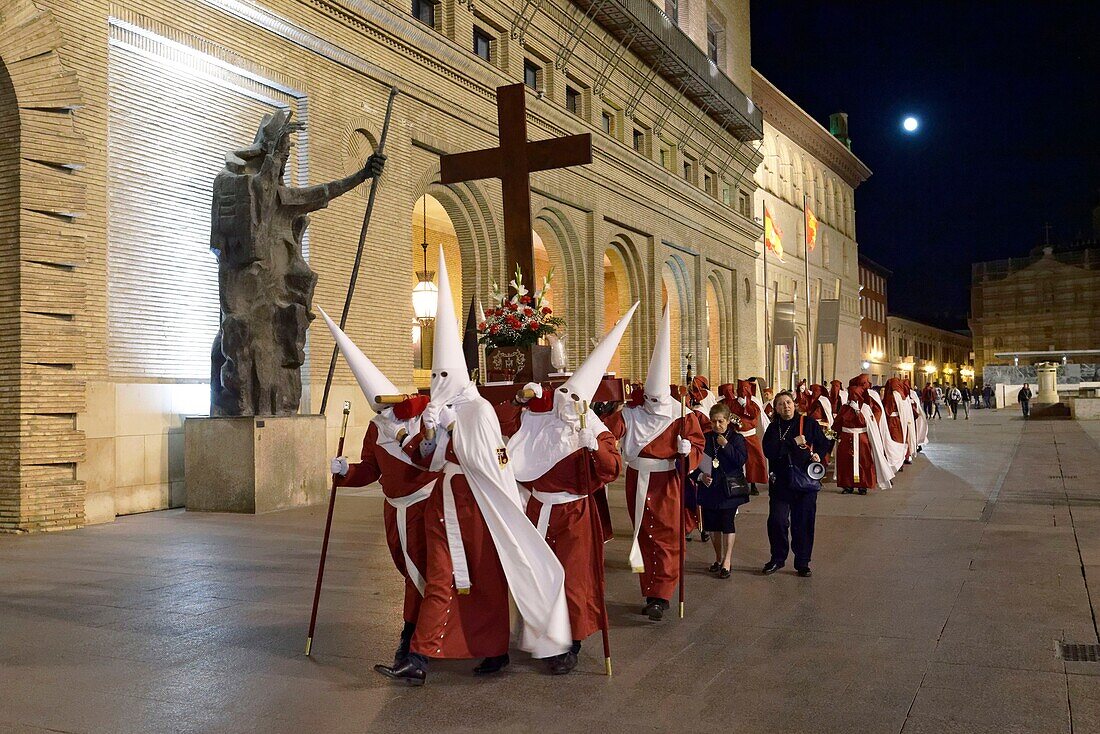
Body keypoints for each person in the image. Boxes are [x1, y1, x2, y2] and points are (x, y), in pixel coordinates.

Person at [377, 249, 571, 686]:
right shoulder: (441, 409)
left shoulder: (479, 410)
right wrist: (426, 436)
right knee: (443, 578)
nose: (438, 387)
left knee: (483, 580)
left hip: (478, 507)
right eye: (435, 378)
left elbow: (486, 459)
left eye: (445, 378)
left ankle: (491, 649)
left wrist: (451, 429)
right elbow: (430, 459)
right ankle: (420, 657)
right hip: (443, 507)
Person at [498, 302, 637, 675]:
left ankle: (570, 642)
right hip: (538, 509)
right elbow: (511, 430)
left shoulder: (593, 429)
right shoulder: (540, 419)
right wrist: (522, 398)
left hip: (575, 513)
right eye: (562, 395)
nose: (565, 402)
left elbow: (610, 470)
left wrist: (590, 439)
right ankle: (542, 632)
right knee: (537, 573)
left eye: (573, 398)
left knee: (573, 580)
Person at [320, 309, 437, 671]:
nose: (381, 411)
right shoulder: (375, 428)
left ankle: (413, 643)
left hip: (424, 507)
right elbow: (370, 468)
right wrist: (345, 472)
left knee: (423, 573)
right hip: (395, 509)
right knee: (409, 570)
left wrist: (404, 430)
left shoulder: (422, 418)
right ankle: (415, 639)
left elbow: (425, 457)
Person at [603, 305, 704, 621]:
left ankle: (662, 594)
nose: (654, 405)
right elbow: (607, 432)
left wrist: (690, 450)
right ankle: (650, 591)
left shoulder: (681, 415)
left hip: (667, 483)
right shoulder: (632, 413)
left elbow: (698, 445)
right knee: (644, 535)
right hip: (638, 481)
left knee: (668, 537)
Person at [761, 390, 834, 577]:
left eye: (788, 402)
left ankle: (802, 562)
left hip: (805, 483)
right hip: (781, 483)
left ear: (794, 404)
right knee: (777, 521)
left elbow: (824, 443)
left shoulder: (808, 423)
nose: (785, 406)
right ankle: (777, 558)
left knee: (803, 523)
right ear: (776, 409)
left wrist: (818, 453)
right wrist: (792, 443)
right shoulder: (773, 428)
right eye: (780, 404)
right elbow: (770, 451)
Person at [692, 402, 748, 579]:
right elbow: (693, 463)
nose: (717, 425)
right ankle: (717, 558)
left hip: (728, 490)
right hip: (710, 488)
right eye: (714, 422)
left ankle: (727, 560)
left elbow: (740, 460)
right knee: (713, 527)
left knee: (727, 524)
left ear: (728, 420)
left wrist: (726, 445)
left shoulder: (736, 438)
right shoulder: (705, 438)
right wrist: (700, 477)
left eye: (721, 421)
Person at [833, 386, 893, 495]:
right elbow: (838, 423)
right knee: (846, 462)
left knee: (864, 461)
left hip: (861, 438)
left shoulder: (865, 408)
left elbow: (868, 423)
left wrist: (858, 412)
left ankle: (863, 485)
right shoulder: (844, 408)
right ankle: (848, 485)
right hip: (846, 438)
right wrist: (836, 433)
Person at [721, 379, 770, 496]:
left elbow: (754, 415)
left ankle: (753, 484)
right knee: (735, 459)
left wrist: (745, 405)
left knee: (753, 461)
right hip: (737, 436)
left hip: (750, 435)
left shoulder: (753, 403)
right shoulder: (731, 403)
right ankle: (738, 483)